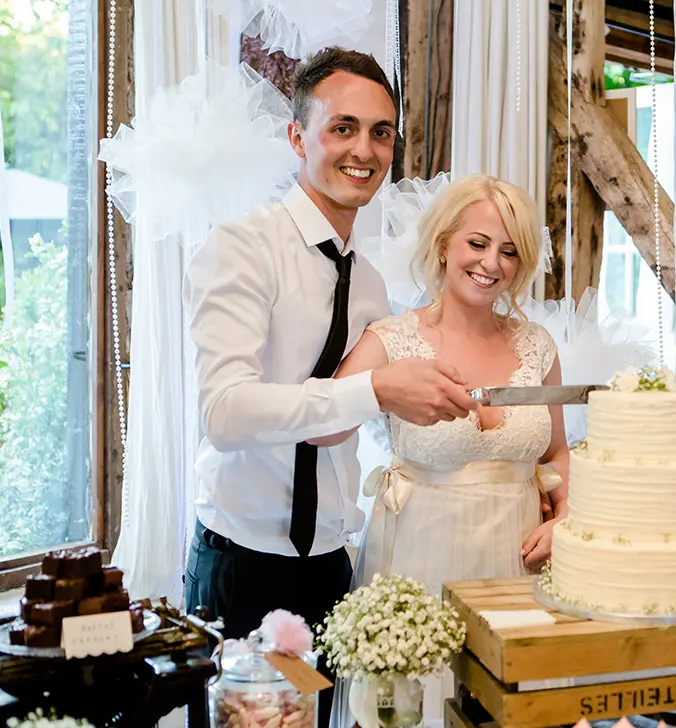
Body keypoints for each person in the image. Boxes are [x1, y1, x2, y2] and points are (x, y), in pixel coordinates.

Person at [183, 47, 476, 727]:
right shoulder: (241, 246)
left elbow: (362, 417)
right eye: (342, 127)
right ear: (297, 137)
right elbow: (224, 412)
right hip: (243, 566)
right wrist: (375, 390)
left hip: (329, 571)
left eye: (381, 132)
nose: (364, 149)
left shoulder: (371, 284)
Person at [324, 174, 571, 726]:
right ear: (443, 244)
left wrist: (565, 519)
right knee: (422, 705)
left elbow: (557, 453)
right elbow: (324, 423)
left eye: (509, 251)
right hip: (420, 559)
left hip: (518, 564)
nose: (491, 263)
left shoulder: (537, 345)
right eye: (478, 244)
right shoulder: (390, 340)